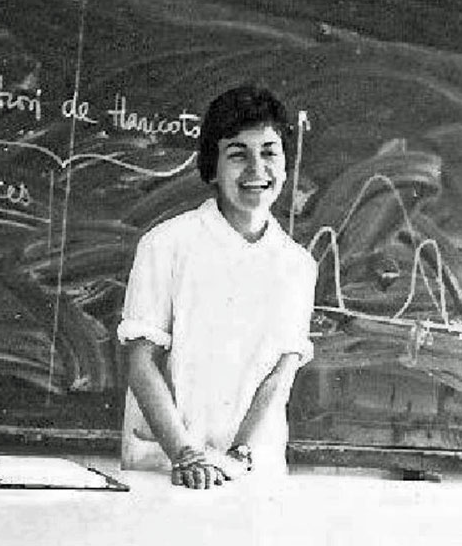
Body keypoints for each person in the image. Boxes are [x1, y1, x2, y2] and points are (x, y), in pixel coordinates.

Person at [117, 84, 318, 489]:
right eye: (238, 154)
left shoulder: (297, 265)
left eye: (269, 153)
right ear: (212, 167)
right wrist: (185, 454)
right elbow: (141, 362)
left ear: (285, 164)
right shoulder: (166, 244)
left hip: (252, 472)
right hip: (166, 468)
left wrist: (239, 455)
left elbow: (280, 374)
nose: (257, 170)